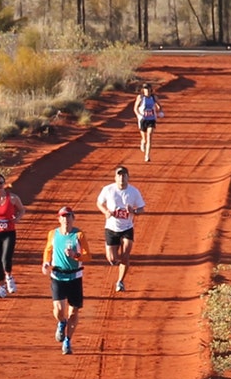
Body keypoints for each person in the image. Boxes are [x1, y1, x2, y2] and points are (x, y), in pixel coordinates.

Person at [96, 165, 148, 293]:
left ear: (128, 177)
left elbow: (142, 209)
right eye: (119, 175)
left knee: (125, 256)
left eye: (124, 175)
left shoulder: (134, 192)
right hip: (111, 228)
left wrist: (134, 211)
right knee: (113, 259)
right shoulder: (108, 189)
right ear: (115, 177)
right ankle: (113, 254)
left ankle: (120, 281)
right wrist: (105, 212)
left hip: (127, 228)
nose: (121, 178)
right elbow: (99, 203)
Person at [41, 205, 86, 355]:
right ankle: (61, 322)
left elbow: (88, 256)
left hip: (75, 276)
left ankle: (67, 341)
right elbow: (48, 250)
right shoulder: (53, 234)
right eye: (63, 216)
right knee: (59, 310)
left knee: (74, 312)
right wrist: (46, 263)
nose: (66, 219)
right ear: (59, 219)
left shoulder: (79, 235)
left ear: (73, 218)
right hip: (58, 276)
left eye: (68, 216)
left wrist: (76, 255)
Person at [132, 81, 163, 161]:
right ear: (143, 90)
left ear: (150, 89)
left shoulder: (154, 97)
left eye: (148, 89)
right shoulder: (140, 97)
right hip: (143, 119)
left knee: (149, 135)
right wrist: (139, 115)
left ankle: (147, 155)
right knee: (145, 139)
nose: (147, 90)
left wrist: (160, 111)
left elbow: (159, 106)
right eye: (145, 89)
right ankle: (143, 142)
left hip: (151, 119)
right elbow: (135, 108)